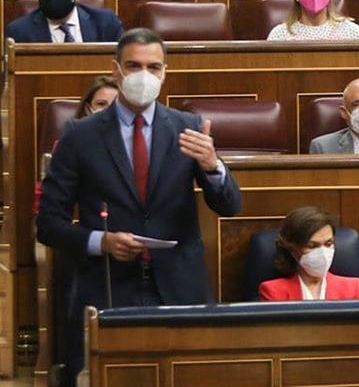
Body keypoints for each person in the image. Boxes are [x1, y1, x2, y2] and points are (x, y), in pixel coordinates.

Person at [36, 27, 242, 383]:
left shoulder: (188, 127)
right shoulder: (79, 136)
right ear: (116, 70)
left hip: (179, 288)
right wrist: (102, 242)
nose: (143, 75)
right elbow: (48, 224)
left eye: (153, 67)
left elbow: (230, 206)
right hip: (107, 287)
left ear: (165, 73)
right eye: (133, 65)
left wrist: (212, 165)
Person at [258, 206, 359, 300]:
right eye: (312, 246)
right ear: (293, 250)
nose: (323, 252)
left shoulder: (354, 289)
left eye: (328, 244)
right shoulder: (273, 292)